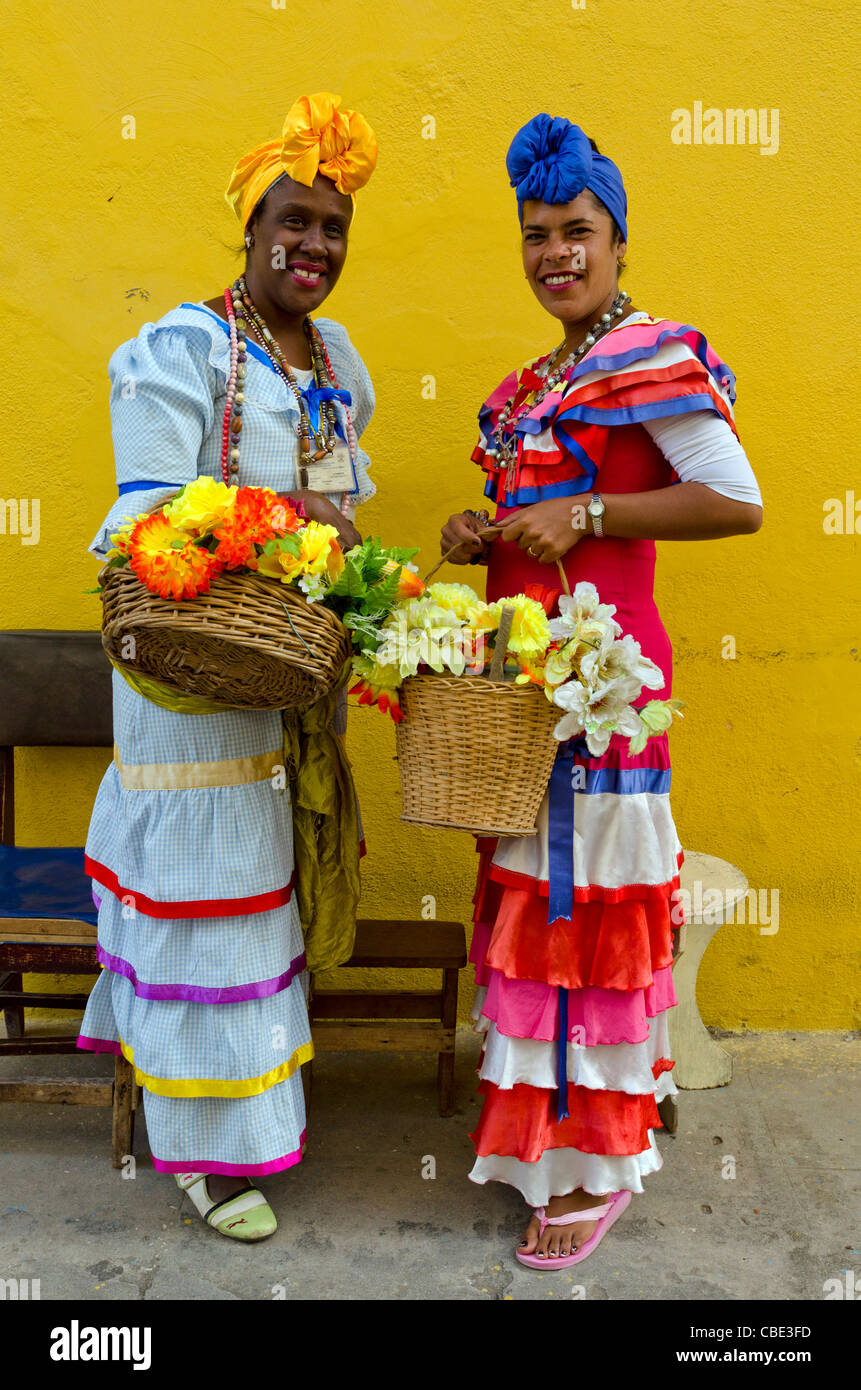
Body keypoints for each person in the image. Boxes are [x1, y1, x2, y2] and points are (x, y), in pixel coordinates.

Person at [441, 113, 762, 1270]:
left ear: (619, 241)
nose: (554, 254)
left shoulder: (652, 358)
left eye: (576, 231)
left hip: (609, 688)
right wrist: (481, 532)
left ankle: (592, 1161)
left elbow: (736, 500)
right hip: (529, 690)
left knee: (589, 920)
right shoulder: (532, 386)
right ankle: (550, 1138)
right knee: (537, 915)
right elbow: (529, 534)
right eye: (536, 235)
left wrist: (585, 511)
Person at [78, 92, 378, 1241]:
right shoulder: (181, 350)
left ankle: (257, 1109)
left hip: (286, 681)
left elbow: (350, 505)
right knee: (206, 903)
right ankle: (206, 1155)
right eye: (292, 222)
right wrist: (281, 511)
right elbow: (148, 512)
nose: (312, 246)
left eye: (332, 229)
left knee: (269, 898)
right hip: (193, 692)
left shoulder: (336, 360)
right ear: (249, 230)